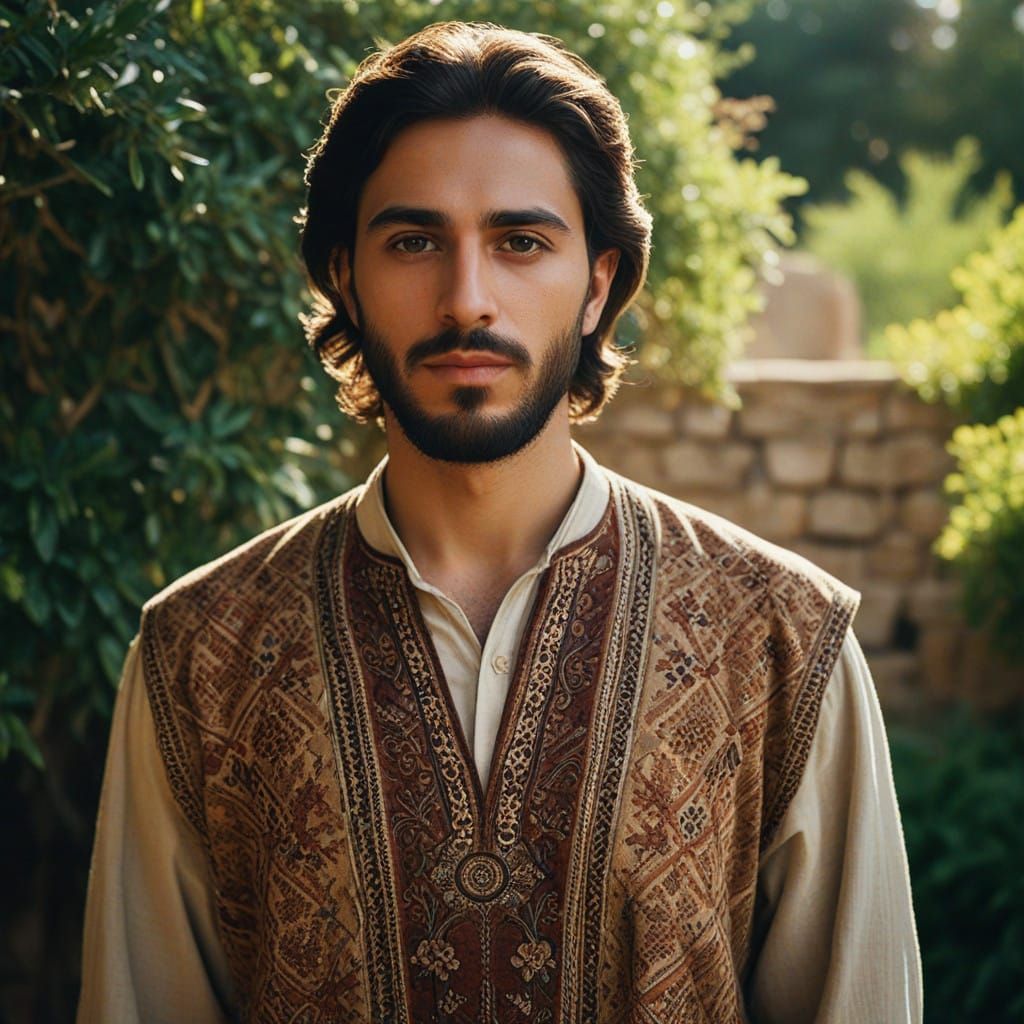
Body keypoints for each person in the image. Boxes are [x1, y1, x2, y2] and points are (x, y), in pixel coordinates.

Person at [77, 21, 922, 1024]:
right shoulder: (198, 656)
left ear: (600, 281)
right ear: (344, 273)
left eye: (520, 242)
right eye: (414, 241)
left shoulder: (782, 641)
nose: (466, 297)